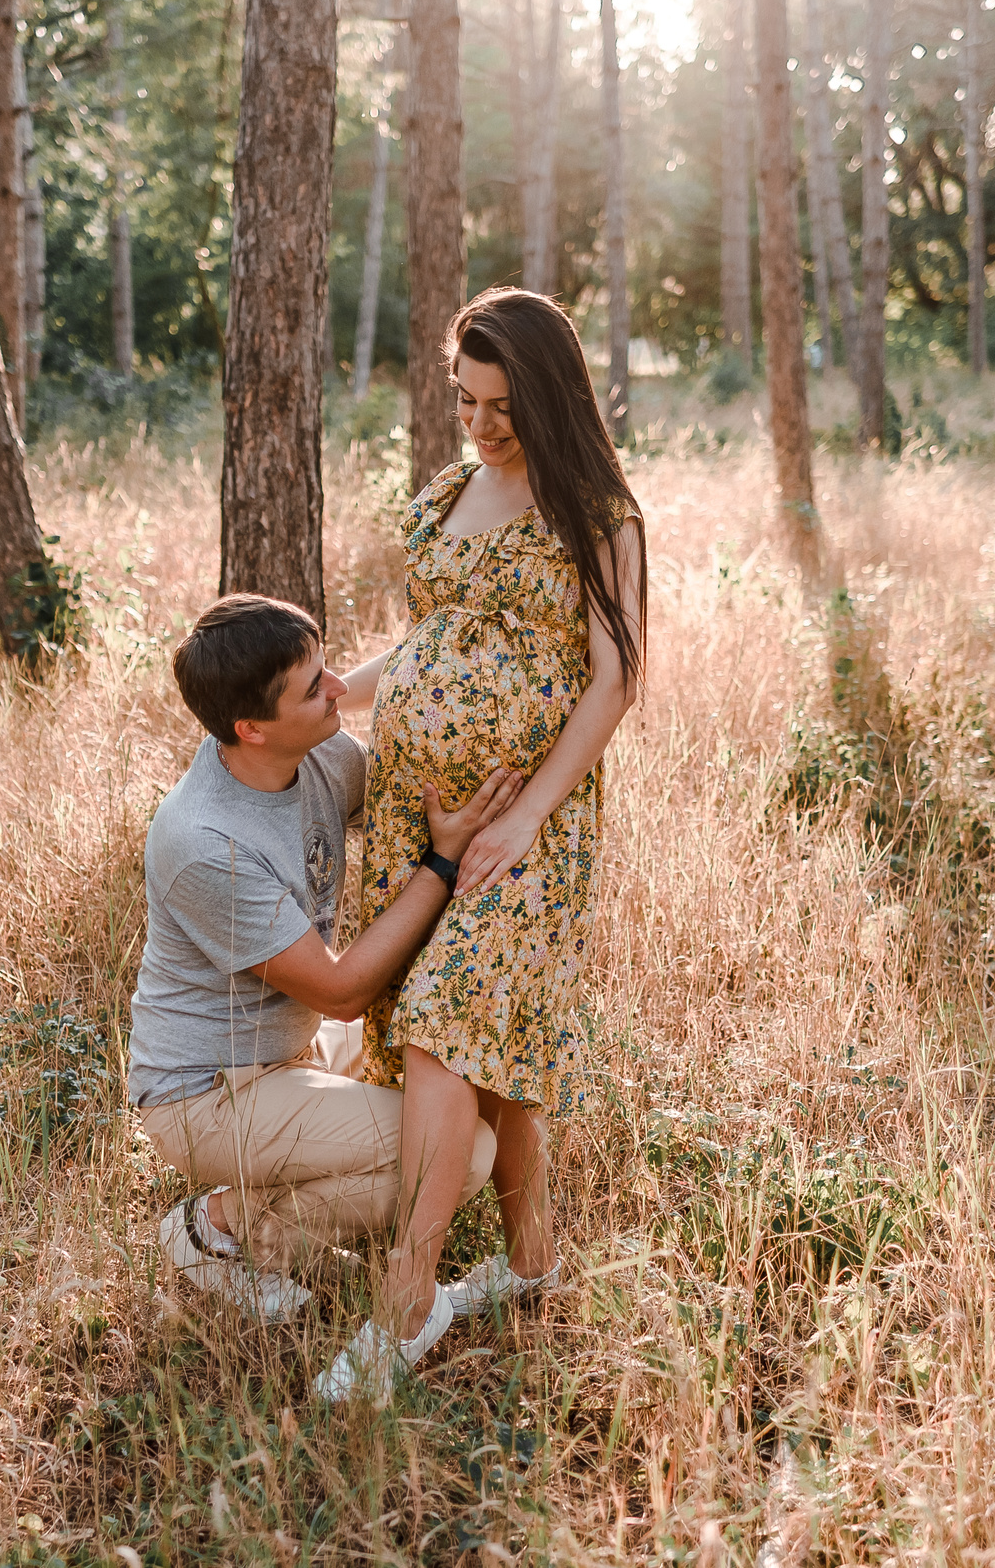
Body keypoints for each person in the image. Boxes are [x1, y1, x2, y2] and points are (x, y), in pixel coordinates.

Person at [321, 288, 647, 1403]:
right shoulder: (453, 486)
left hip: (527, 826)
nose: (480, 424)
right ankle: (531, 1257)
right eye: (464, 399)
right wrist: (342, 693)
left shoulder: (598, 509)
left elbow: (616, 680)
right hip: (422, 815)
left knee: (450, 1023)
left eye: (502, 405)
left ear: (549, 395)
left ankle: (407, 1299)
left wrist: (528, 814)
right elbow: (429, 642)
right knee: (494, 1057)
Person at [133, 592, 528, 1323]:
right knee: (460, 1152)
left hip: (294, 1045)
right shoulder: (204, 842)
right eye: (315, 687)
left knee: (454, 1073)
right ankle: (222, 1227)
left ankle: (256, 1218)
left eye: (326, 668)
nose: (342, 689)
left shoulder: (314, 753)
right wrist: (442, 865)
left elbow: (409, 796)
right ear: (251, 728)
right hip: (210, 1094)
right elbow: (343, 988)